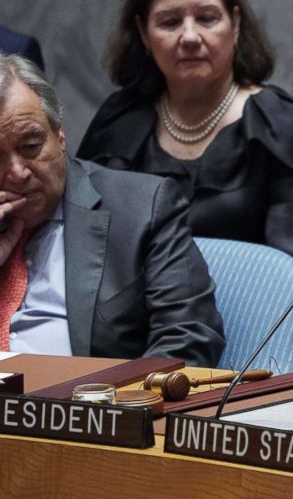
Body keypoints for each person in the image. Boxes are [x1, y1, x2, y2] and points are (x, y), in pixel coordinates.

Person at [75, 0, 293, 322]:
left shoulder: (288, 127)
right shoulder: (117, 120)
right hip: (127, 336)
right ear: (143, 32)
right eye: (169, 22)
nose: (189, 36)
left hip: (254, 340)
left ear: (234, 23)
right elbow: (82, 251)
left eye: (207, 18)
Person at [0, 53, 223, 365]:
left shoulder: (143, 207)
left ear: (60, 133)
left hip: (86, 405)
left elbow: (188, 338)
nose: (17, 172)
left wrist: (113, 405)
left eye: (30, 147)